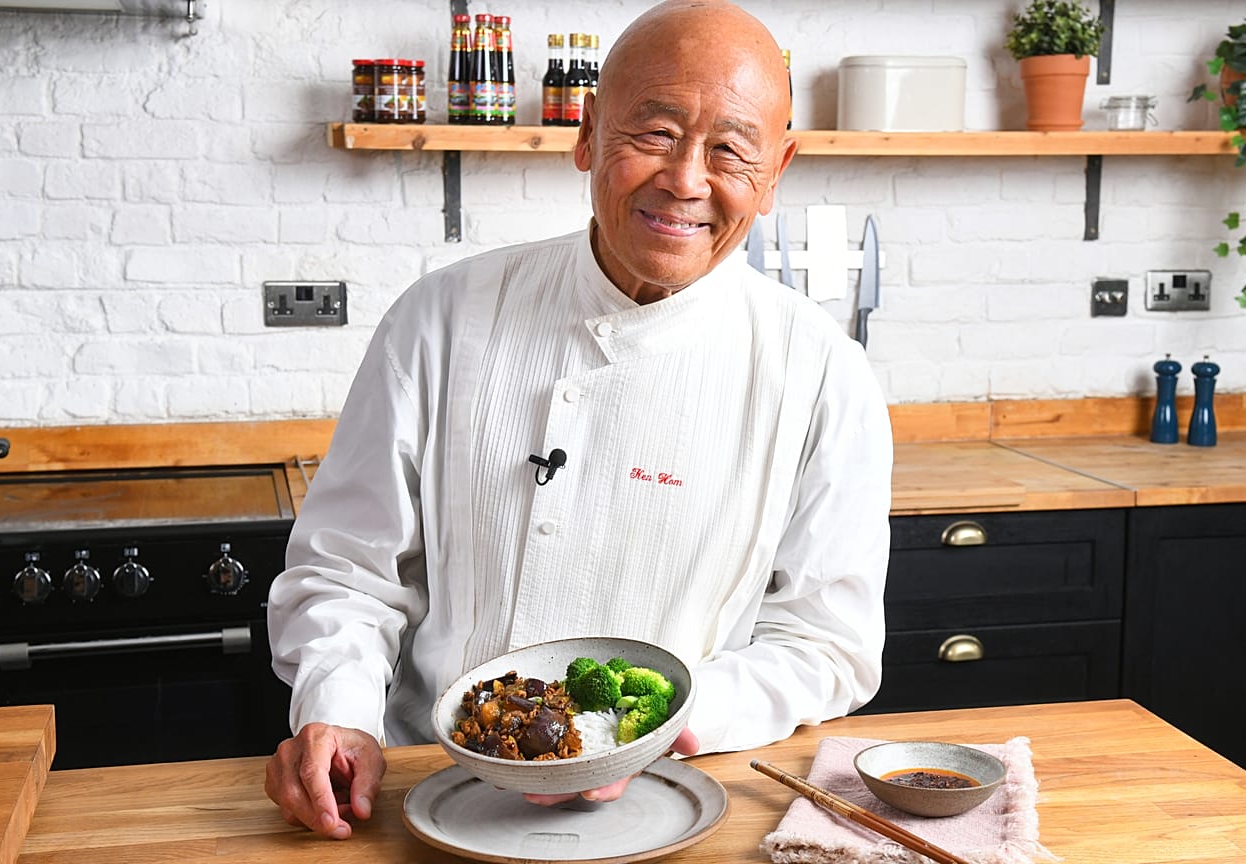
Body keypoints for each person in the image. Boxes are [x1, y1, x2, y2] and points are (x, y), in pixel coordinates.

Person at [263, 0, 893, 840]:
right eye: (656, 133)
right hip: (426, 791)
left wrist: (655, 726)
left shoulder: (822, 374)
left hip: (674, 797)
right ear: (587, 132)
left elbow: (827, 641)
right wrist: (340, 712)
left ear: (776, 170)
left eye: (731, 150)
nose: (687, 180)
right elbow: (348, 571)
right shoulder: (440, 318)